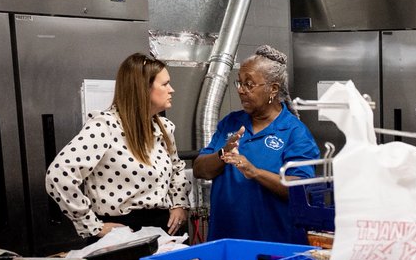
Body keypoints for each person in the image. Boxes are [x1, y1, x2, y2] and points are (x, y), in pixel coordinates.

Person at [46, 53, 189, 240]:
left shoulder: (163, 128)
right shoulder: (105, 127)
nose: (172, 90)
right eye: (164, 84)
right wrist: (92, 225)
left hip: (163, 229)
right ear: (143, 89)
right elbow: (58, 175)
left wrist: (179, 204)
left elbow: (177, 167)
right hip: (121, 232)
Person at [193, 45, 320, 244]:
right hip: (225, 240)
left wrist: (255, 172)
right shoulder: (231, 122)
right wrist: (222, 153)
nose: (241, 90)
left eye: (249, 84)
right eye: (240, 83)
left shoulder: (294, 132)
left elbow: (301, 190)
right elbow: (200, 169)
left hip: (272, 244)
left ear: (273, 89)